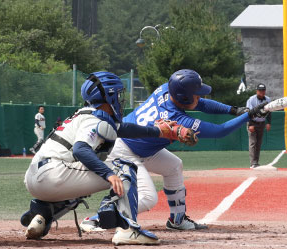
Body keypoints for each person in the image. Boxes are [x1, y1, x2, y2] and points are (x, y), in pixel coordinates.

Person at [79, 69, 267, 232]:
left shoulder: (167, 89)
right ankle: (97, 218)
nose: (200, 97)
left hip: (143, 146)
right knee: (147, 197)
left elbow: (200, 104)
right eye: (197, 93)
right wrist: (249, 115)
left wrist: (235, 110)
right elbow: (220, 131)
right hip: (124, 148)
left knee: (174, 165)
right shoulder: (176, 118)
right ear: (184, 97)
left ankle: (177, 220)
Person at [19, 72, 194, 245]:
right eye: (117, 94)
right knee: (125, 166)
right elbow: (81, 149)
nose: (120, 98)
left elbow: (123, 129)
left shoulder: (86, 113)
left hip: (36, 178)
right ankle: (128, 229)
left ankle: (43, 214)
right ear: (109, 97)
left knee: (88, 172)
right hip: (53, 174)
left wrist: (159, 131)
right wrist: (109, 174)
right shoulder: (94, 119)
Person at [246, 83, 272, 169]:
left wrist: (268, 123)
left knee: (258, 143)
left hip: (261, 123)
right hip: (253, 122)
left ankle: (256, 162)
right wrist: (250, 124)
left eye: (263, 90)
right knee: (253, 142)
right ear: (257, 91)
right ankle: (253, 163)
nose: (262, 92)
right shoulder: (251, 100)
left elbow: (269, 112)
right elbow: (248, 113)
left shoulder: (268, 99)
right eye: (260, 90)